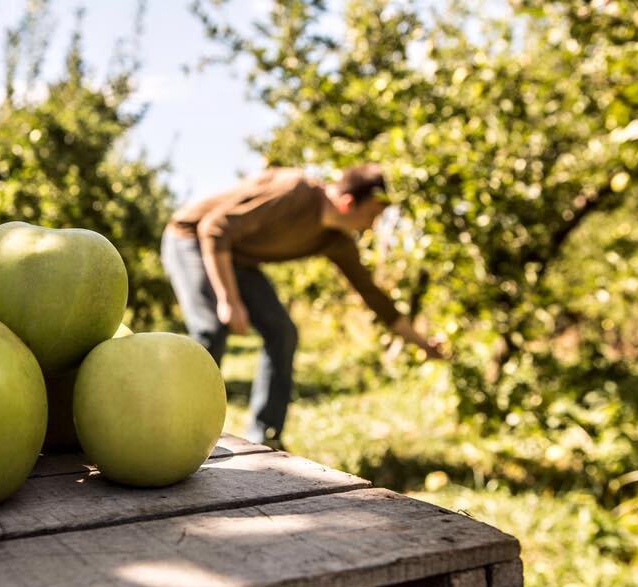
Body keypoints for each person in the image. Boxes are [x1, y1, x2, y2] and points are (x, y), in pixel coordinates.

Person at [160, 164, 445, 449]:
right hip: (191, 238)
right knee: (211, 329)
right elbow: (214, 228)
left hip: (237, 257)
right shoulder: (293, 191)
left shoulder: (335, 241)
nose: (372, 226)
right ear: (348, 203)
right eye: (372, 215)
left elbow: (373, 296)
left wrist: (423, 344)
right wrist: (229, 300)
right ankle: (175, 428)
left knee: (282, 333)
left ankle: (265, 436)